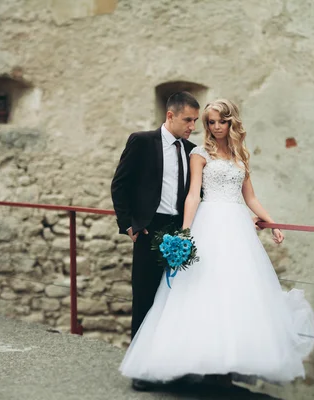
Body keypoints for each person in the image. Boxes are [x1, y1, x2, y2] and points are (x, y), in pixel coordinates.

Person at [119, 99, 314, 386]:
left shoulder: (240, 155)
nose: (215, 127)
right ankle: (181, 365)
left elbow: (250, 197)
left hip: (237, 227)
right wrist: (186, 232)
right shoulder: (199, 153)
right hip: (208, 222)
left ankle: (225, 367)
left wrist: (271, 222)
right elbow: (193, 195)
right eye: (209, 122)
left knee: (236, 293)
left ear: (231, 122)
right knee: (199, 291)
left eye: (220, 121)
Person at [111, 91, 199, 391]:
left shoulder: (191, 149)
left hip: (180, 229)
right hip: (150, 229)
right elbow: (120, 184)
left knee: (176, 300)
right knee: (145, 299)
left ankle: (172, 367)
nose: (192, 126)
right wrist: (128, 225)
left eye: (195, 121)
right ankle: (141, 369)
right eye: (188, 120)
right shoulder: (142, 141)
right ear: (170, 115)